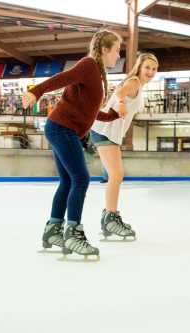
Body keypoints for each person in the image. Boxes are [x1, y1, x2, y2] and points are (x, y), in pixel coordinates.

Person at [22, 29, 123, 259]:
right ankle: (73, 233)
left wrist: (114, 115)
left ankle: (53, 230)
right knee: (81, 179)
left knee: (68, 180)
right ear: (105, 50)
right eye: (116, 51)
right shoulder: (88, 65)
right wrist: (35, 92)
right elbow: (62, 79)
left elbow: (91, 111)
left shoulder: (96, 73)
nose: (118, 56)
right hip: (62, 129)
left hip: (63, 129)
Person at [90, 53, 158, 241]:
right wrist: (120, 103)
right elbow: (120, 93)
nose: (150, 72)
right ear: (140, 67)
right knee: (116, 175)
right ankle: (110, 219)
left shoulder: (139, 86)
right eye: (147, 67)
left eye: (154, 69)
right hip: (105, 130)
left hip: (111, 133)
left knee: (116, 175)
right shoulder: (134, 81)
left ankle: (109, 217)